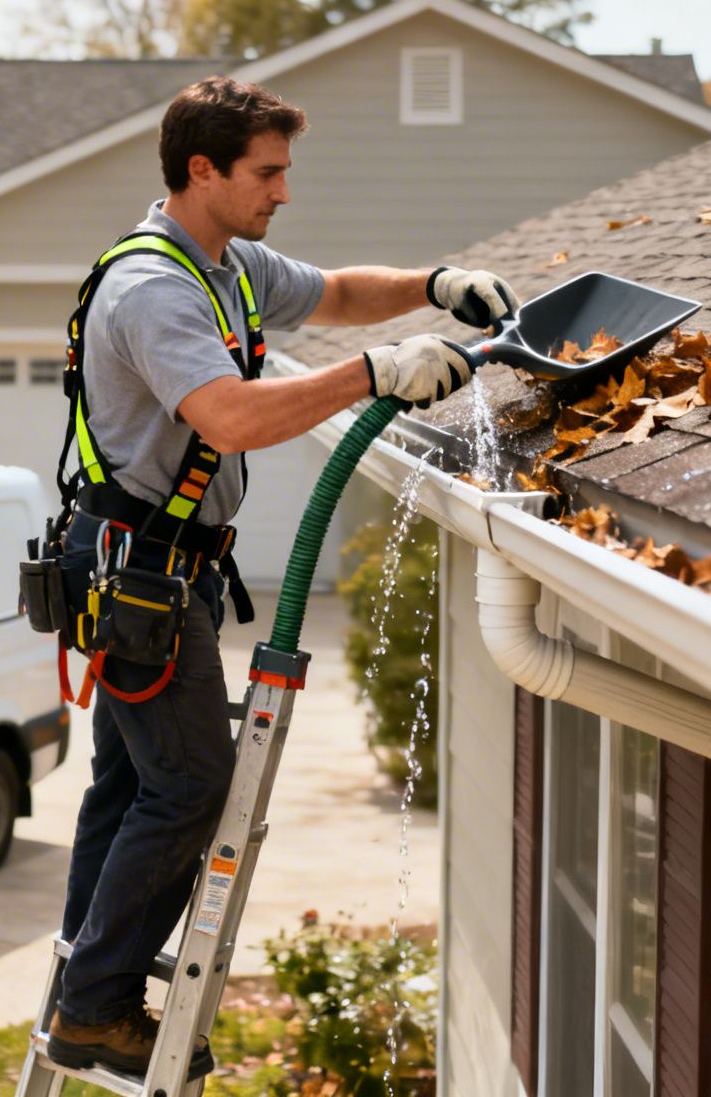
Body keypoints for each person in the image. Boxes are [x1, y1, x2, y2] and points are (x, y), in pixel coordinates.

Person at [45, 75, 520, 1076]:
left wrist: (431, 286)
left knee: (129, 780)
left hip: (153, 565)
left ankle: (78, 982)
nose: (283, 190)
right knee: (187, 788)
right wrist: (373, 375)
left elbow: (338, 293)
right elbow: (231, 416)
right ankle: (93, 1003)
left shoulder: (224, 263)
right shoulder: (156, 290)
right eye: (266, 173)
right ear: (201, 170)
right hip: (138, 568)